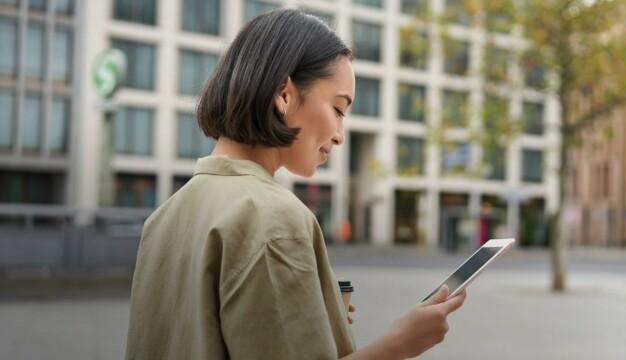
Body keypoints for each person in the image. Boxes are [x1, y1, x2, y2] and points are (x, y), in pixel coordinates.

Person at [125, 9, 466, 360]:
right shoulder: (271, 218)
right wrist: (400, 344)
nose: (339, 136)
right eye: (338, 109)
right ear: (284, 94)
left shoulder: (163, 217)